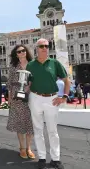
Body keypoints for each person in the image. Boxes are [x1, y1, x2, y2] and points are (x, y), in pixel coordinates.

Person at [26, 38, 70, 169]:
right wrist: (21, 94)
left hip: (52, 99)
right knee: (38, 129)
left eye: (46, 46)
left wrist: (64, 97)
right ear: (37, 49)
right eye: (41, 46)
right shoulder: (31, 65)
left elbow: (67, 81)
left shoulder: (55, 63)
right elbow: (28, 84)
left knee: (52, 130)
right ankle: (42, 158)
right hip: (35, 98)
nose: (45, 48)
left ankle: (56, 159)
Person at [6, 44, 35, 159]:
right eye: (19, 52)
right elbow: (9, 83)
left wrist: (29, 87)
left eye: (23, 50)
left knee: (29, 123)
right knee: (19, 123)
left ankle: (29, 148)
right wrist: (9, 98)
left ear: (26, 51)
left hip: (31, 96)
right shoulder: (13, 66)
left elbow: (35, 78)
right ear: (16, 54)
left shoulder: (33, 64)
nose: (21, 53)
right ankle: (22, 148)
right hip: (16, 96)